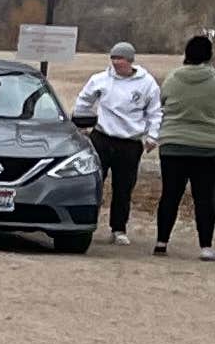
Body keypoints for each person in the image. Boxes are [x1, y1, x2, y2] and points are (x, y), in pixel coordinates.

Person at [69, 36, 161, 241]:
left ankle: (118, 229)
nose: (116, 63)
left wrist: (153, 136)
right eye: (113, 59)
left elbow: (155, 112)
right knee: (93, 184)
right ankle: (86, 224)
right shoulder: (100, 79)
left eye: (120, 59)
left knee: (123, 188)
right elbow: (84, 101)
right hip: (102, 138)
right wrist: (82, 125)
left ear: (130, 61)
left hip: (130, 143)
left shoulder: (147, 83)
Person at [153, 30, 215, 258]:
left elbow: (163, 99)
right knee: (204, 197)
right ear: (209, 56)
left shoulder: (172, 78)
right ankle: (206, 246)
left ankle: (161, 242)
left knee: (170, 195)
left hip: (173, 144)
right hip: (208, 146)